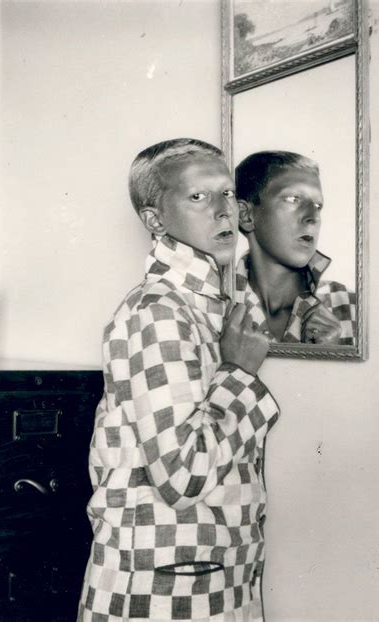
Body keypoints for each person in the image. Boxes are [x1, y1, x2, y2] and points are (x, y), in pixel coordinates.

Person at [78, 138, 280, 622]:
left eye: (228, 193)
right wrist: (239, 373)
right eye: (198, 197)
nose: (223, 210)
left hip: (210, 577)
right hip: (161, 591)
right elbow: (183, 477)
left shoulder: (210, 304)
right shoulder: (157, 313)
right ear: (154, 220)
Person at [235, 150, 356, 345]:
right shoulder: (212, 309)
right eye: (293, 199)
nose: (313, 217)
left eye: (318, 206)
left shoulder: (352, 307)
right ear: (246, 216)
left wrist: (333, 357)